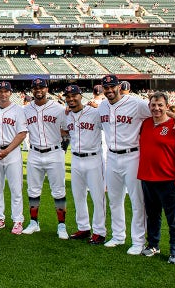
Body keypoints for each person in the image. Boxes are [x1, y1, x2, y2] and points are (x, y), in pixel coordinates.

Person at [98, 75, 175, 255]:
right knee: (114, 200)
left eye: (112, 87)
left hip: (132, 156)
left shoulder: (136, 104)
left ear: (119, 87)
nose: (109, 90)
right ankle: (118, 235)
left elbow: (159, 111)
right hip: (112, 157)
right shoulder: (102, 106)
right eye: (106, 88)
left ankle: (138, 241)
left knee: (137, 202)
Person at [138, 92, 175, 265]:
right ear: (149, 107)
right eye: (153, 105)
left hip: (168, 181)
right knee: (152, 216)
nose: (156, 108)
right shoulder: (145, 123)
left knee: (174, 219)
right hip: (148, 179)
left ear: (167, 107)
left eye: (160, 105)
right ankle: (153, 245)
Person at [21, 78, 69, 239]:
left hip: (54, 152)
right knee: (33, 190)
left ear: (47, 89)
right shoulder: (25, 110)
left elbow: (66, 130)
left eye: (41, 87)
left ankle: (61, 225)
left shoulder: (58, 109)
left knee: (59, 190)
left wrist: (63, 149)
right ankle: (34, 223)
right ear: (32, 90)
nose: (38, 90)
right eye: (35, 87)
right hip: (34, 152)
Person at [62, 84, 106, 244]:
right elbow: (64, 131)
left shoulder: (95, 113)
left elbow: (108, 127)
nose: (71, 99)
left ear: (81, 95)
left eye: (74, 96)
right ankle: (84, 228)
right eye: (68, 97)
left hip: (94, 158)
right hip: (76, 159)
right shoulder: (67, 115)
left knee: (97, 196)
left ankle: (100, 232)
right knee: (78, 195)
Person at [0, 81, 27, 234]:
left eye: (6, 91)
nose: (3, 94)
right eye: (0, 91)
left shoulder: (18, 110)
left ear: (10, 93)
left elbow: (22, 133)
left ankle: (17, 220)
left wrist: (7, 151)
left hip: (12, 152)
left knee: (16, 189)